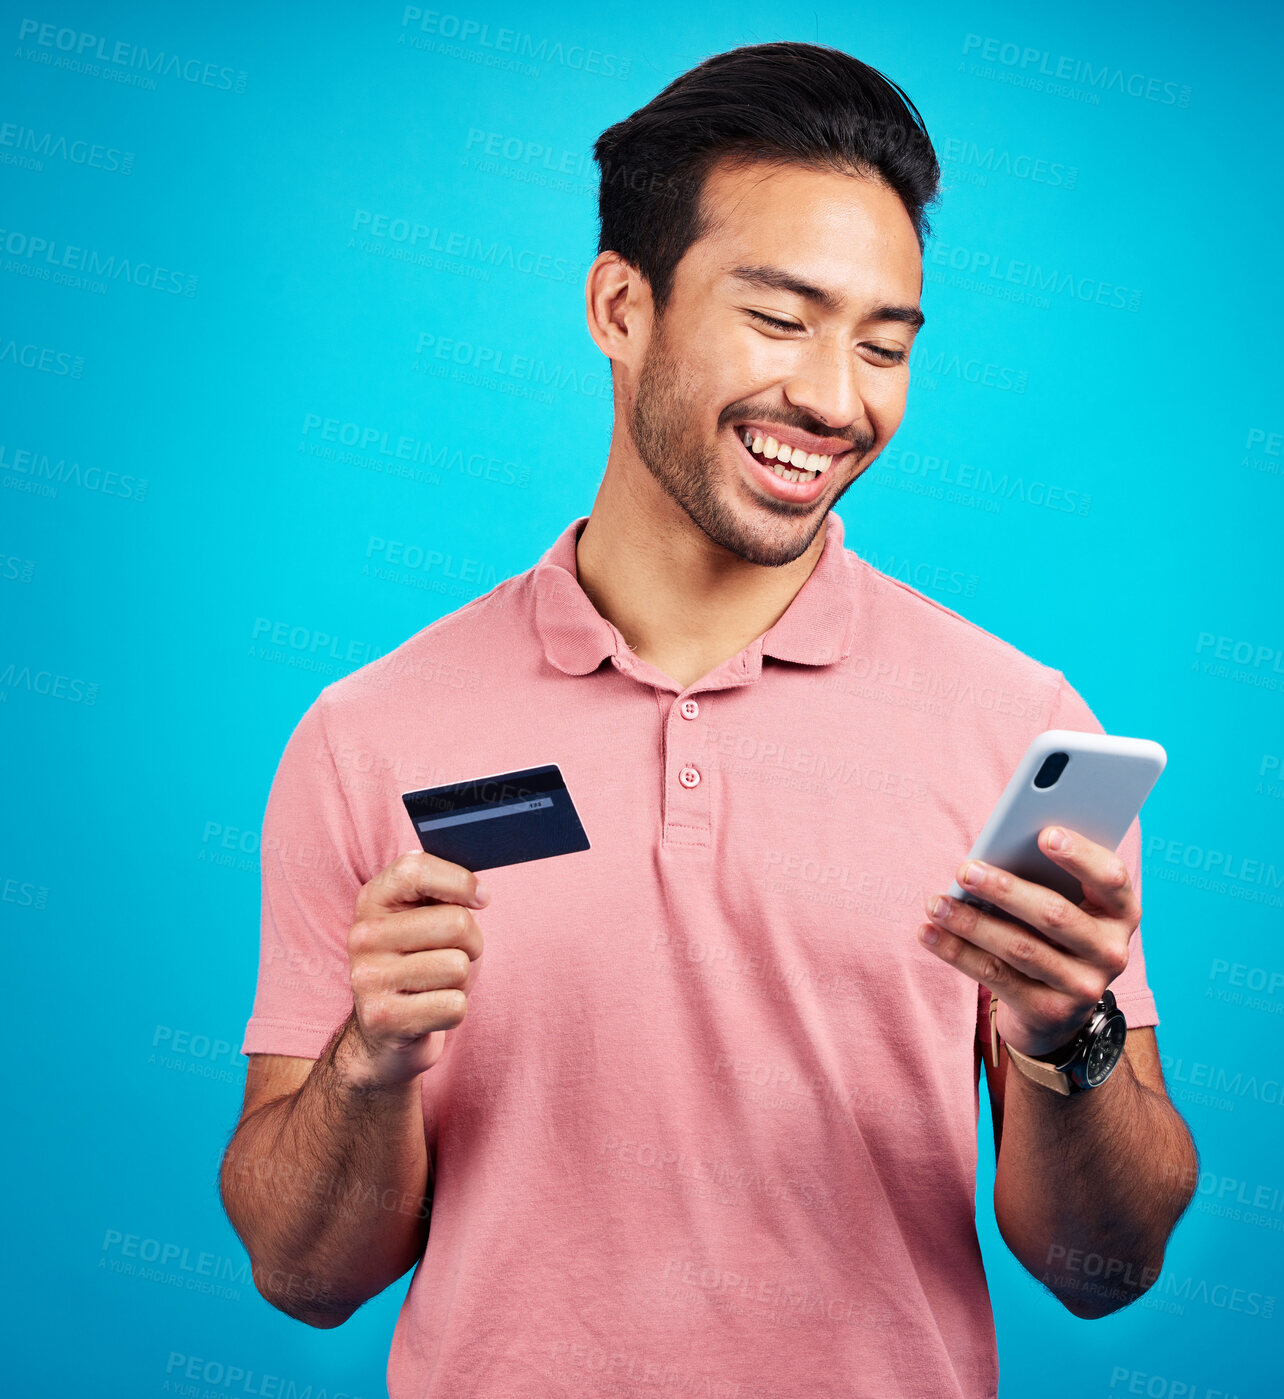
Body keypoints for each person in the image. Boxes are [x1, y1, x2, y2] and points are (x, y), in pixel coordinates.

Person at [219, 41, 1198, 1399]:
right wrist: (370, 1063)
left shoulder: (1019, 731)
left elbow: (1107, 1272)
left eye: (883, 342)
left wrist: (1065, 1043)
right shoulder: (371, 731)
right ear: (620, 306)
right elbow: (302, 1278)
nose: (835, 399)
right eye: (781, 319)